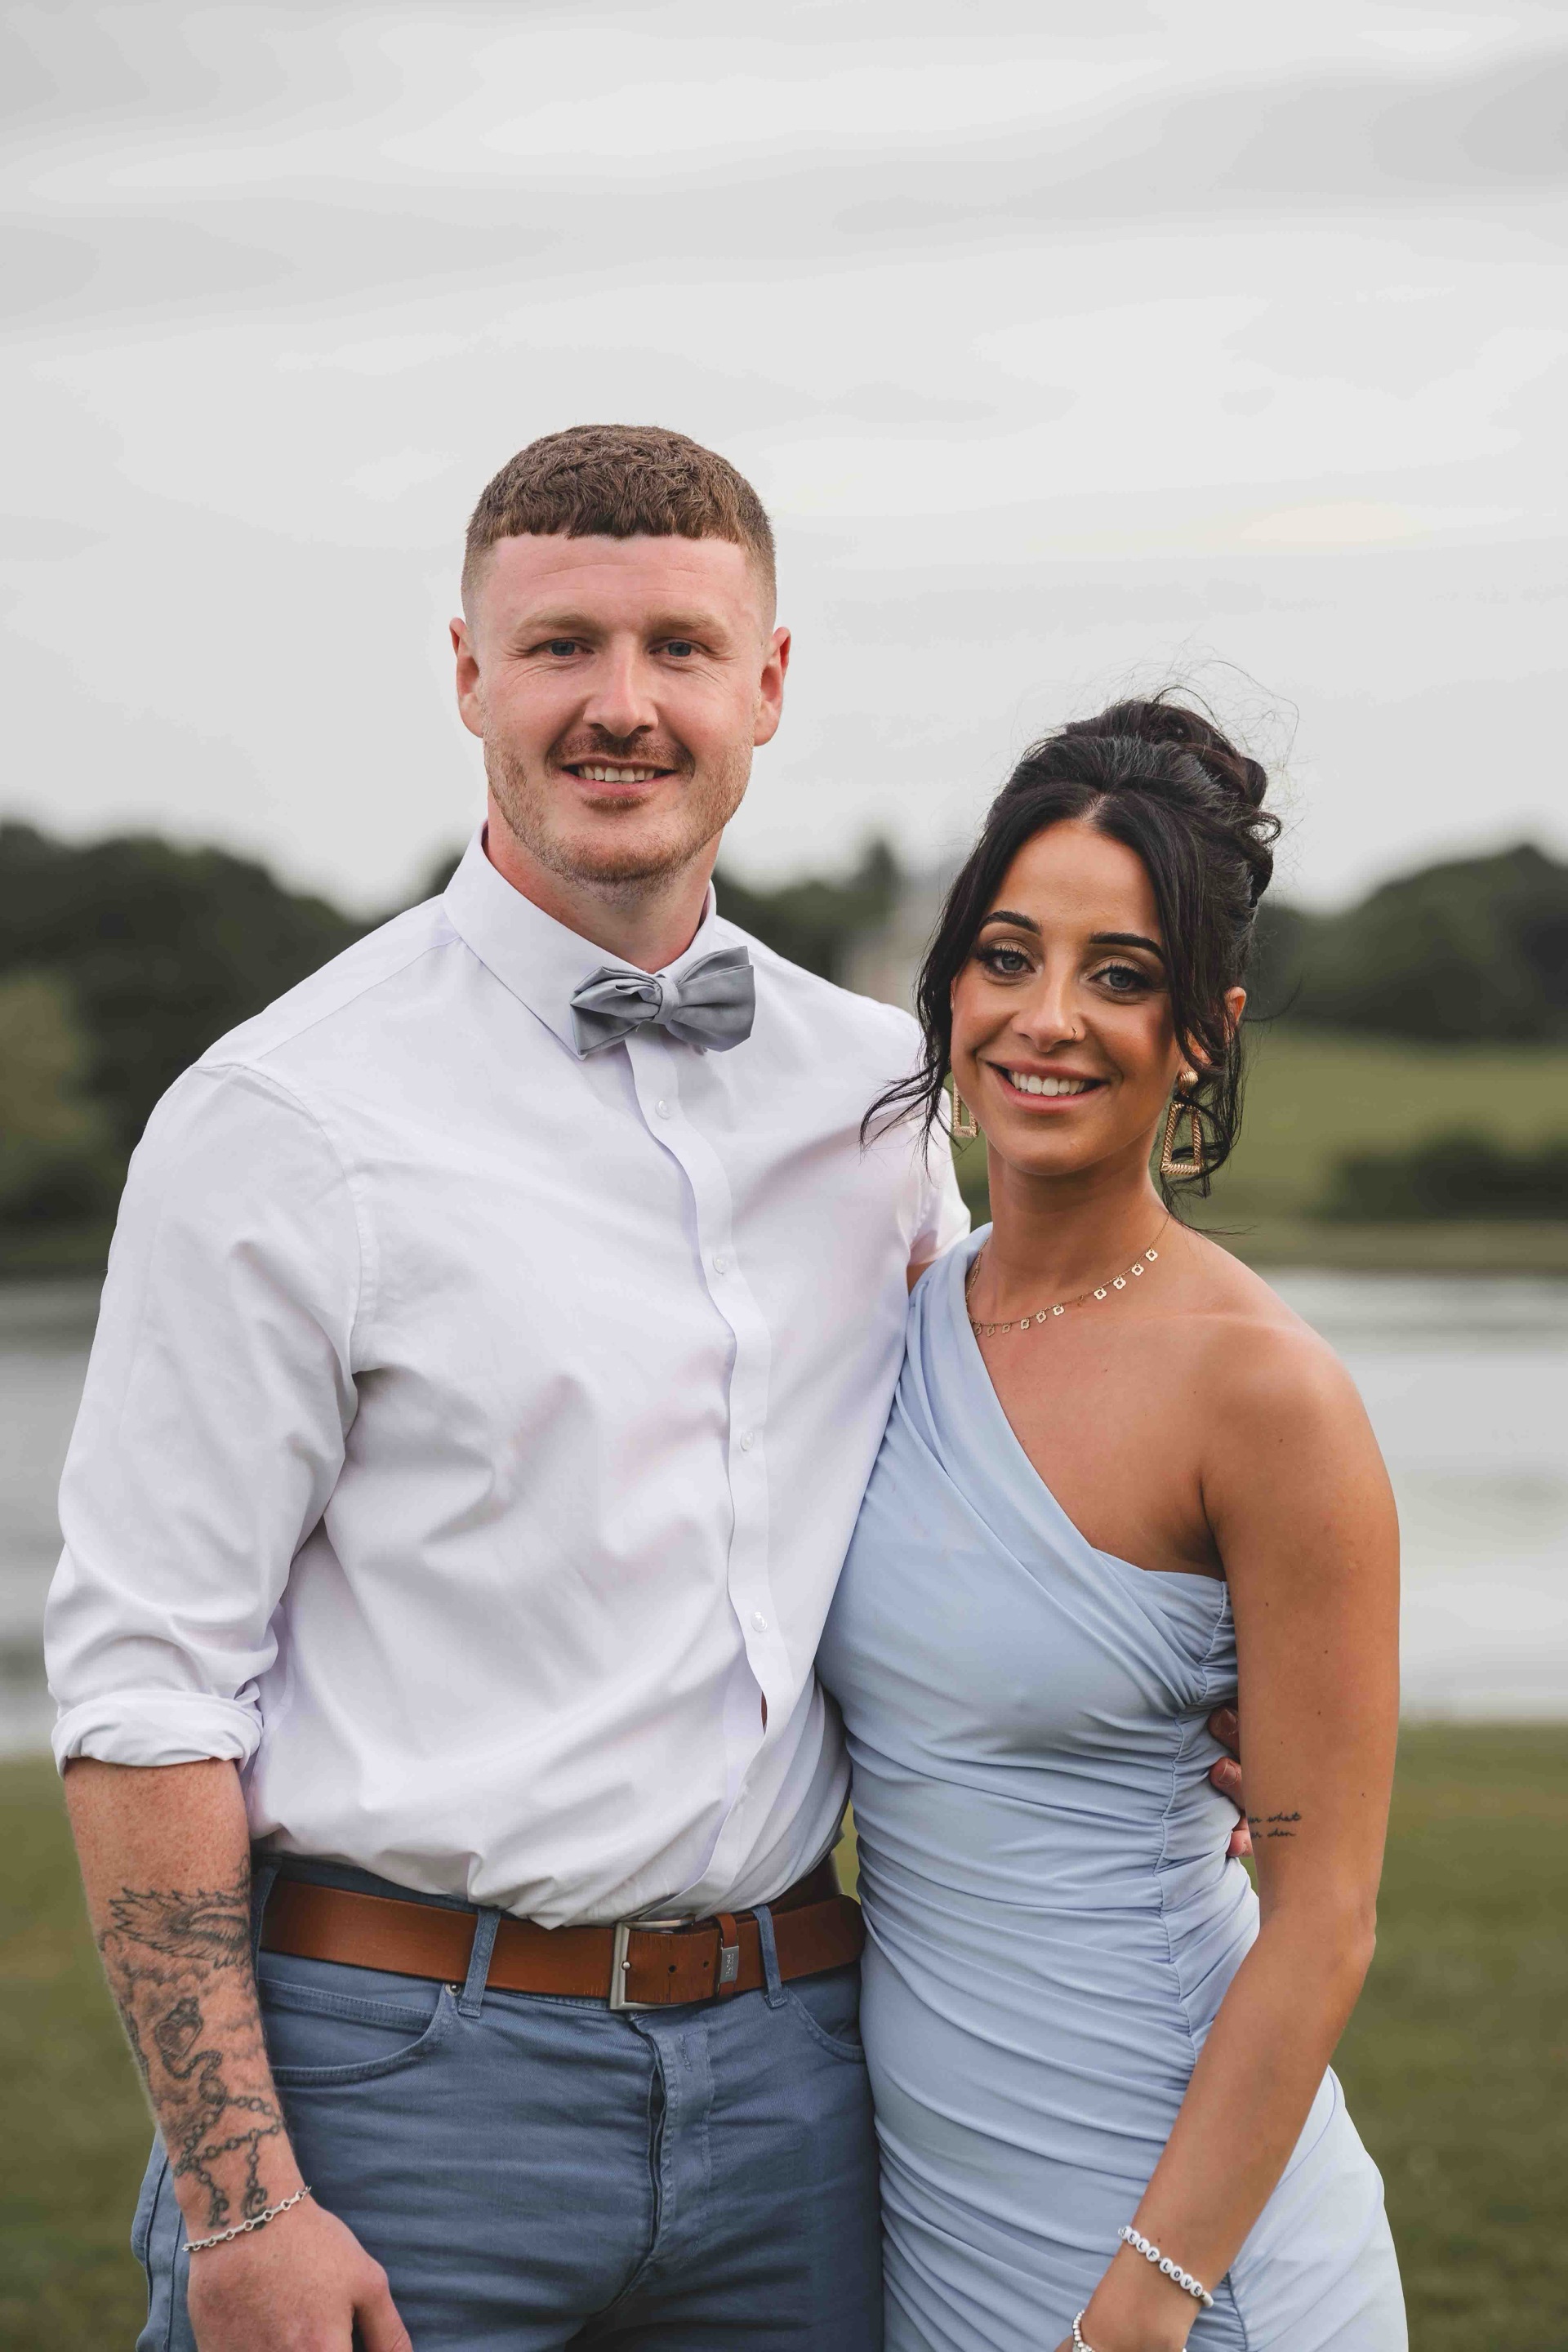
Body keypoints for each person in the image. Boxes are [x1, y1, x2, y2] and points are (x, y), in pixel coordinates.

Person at [45, 426, 1245, 2352]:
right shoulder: (279, 1121)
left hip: (809, 2076)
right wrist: (242, 2195)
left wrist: (1217, 1680)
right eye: (561, 647)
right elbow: (142, 1692)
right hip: (397, 2086)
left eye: (682, 648)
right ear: (466, 676)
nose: (624, 705)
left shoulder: (876, 1099)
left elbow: (1003, 1469)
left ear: (768, 683)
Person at [817, 697, 1406, 2350]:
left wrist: (1147, 2304)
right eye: (1006, 957)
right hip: (942, 2219)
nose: (1046, 1019)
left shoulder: (1262, 1393)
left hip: (1176, 2253)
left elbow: (1327, 1918)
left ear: (1204, 1033)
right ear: (947, 984)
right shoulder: (898, 1316)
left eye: (1121, 975)